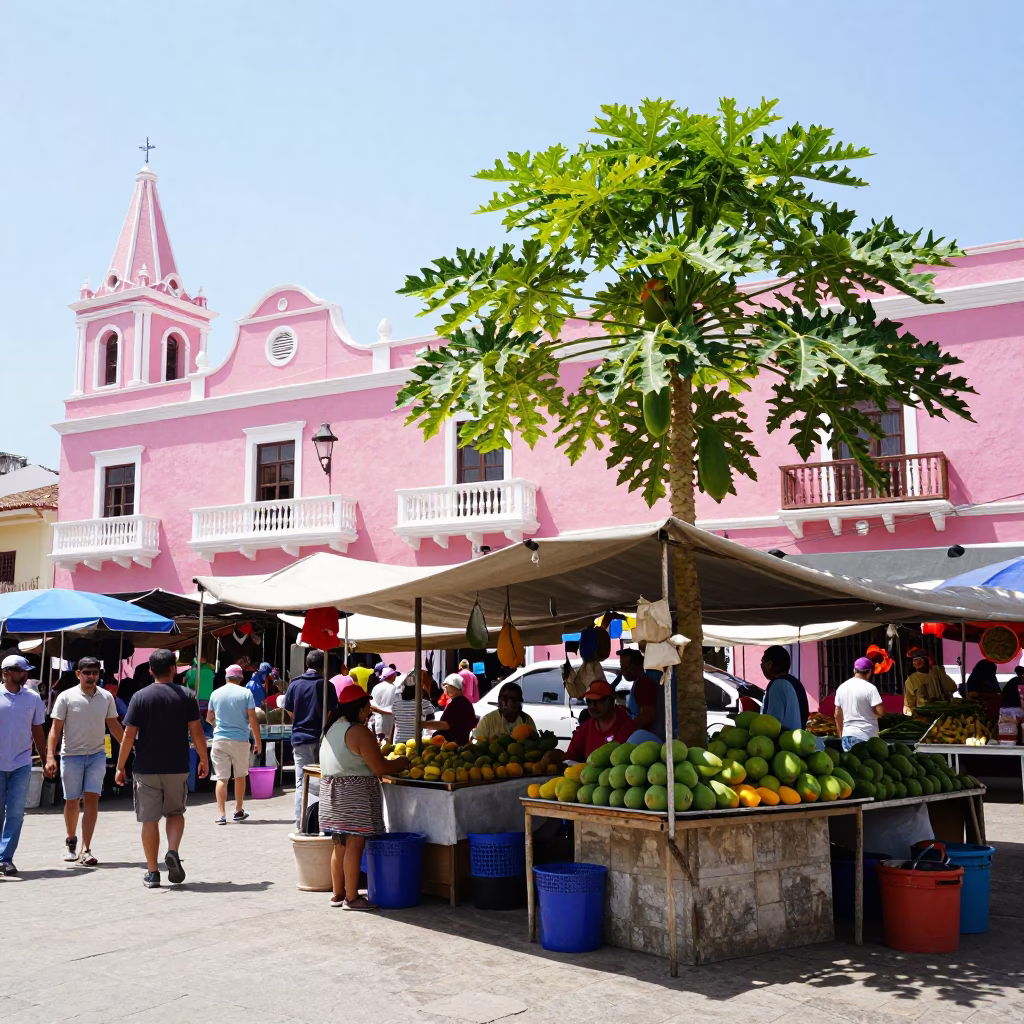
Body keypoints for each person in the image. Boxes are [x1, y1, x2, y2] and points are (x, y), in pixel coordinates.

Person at [115, 649, 209, 889]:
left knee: (149, 820)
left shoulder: (139, 697)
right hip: (177, 766)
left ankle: (153, 872)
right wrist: (203, 759)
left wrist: (120, 766)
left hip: (146, 767)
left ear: (149, 671)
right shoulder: (187, 695)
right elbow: (197, 731)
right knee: (175, 813)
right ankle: (173, 851)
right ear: (174, 668)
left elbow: (128, 734)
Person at [319, 681, 410, 909]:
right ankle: (352, 897)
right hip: (354, 792)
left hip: (331, 791)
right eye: (367, 709)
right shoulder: (357, 731)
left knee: (339, 842)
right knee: (355, 842)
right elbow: (379, 768)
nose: (369, 713)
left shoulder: (331, 729)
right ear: (359, 708)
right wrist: (403, 762)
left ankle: (338, 894)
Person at [46, 656, 124, 866]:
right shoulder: (66, 697)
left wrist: (129, 747)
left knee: (92, 800)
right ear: (78, 674)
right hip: (71, 755)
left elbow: (114, 725)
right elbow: (55, 729)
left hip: (97, 755)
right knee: (72, 800)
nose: (91, 677)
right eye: (87, 673)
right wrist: (50, 756)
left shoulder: (106, 697)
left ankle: (86, 849)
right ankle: (71, 841)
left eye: (95, 673)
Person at [0, 655, 47, 876]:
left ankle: (5, 858)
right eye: (21, 670)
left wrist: (46, 758)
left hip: (21, 763)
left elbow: (37, 730)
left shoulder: (33, 698)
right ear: (7, 672)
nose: (25, 674)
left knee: (17, 813)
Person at [283, 649, 337, 830]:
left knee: (301, 782)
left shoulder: (294, 684)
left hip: (299, 738)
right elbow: (332, 712)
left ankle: (301, 823)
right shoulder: (326, 685)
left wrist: (300, 718)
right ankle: (322, 822)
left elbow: (289, 711)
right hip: (321, 739)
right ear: (324, 665)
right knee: (324, 780)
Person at [207, 664, 262, 825]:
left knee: (221, 778)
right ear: (241, 678)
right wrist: (257, 741)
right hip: (240, 739)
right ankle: (238, 811)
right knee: (240, 776)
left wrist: (217, 725)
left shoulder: (215, 694)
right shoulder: (246, 693)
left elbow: (209, 717)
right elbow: (252, 718)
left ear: (226, 677)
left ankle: (221, 814)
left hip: (220, 740)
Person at [552, 680, 635, 765]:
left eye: (599, 701)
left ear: (612, 702)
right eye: (589, 701)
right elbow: (570, 757)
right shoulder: (585, 728)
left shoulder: (627, 727)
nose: (593, 706)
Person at [833, 657, 885, 751]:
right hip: (867, 736)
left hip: (848, 736)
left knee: (852, 765)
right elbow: (880, 712)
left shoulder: (841, 688)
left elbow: (837, 713)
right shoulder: (870, 688)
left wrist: (840, 733)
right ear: (869, 672)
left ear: (854, 670)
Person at [760, 646, 809, 731]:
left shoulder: (777, 685)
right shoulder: (796, 682)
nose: (761, 667)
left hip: (785, 741)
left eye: (762, 663)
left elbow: (772, 723)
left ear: (769, 664)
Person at [620, 648, 664, 739]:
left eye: (625, 667)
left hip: (649, 737)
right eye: (621, 667)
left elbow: (648, 715)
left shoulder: (643, 684)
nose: (622, 671)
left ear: (637, 667)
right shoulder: (642, 681)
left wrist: (627, 728)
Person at [422, 675, 477, 746]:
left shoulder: (458, 703)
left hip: (452, 744)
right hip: (456, 743)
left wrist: (423, 724)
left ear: (455, 686)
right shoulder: (463, 702)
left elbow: (445, 725)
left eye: (446, 686)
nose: (444, 689)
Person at [903, 649, 957, 714]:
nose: (916, 662)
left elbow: (952, 687)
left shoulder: (937, 673)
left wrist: (937, 669)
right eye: (915, 660)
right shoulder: (911, 680)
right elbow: (909, 703)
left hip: (944, 711)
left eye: (919, 659)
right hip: (925, 714)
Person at [391, 672, 436, 744]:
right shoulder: (425, 704)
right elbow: (431, 724)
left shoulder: (396, 704)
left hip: (398, 742)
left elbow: (395, 723)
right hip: (416, 742)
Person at [370, 667, 399, 741]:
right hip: (388, 722)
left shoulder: (376, 687)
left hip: (377, 721)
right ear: (392, 676)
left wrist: (377, 711)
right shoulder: (393, 688)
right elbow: (394, 709)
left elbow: (371, 705)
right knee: (387, 745)